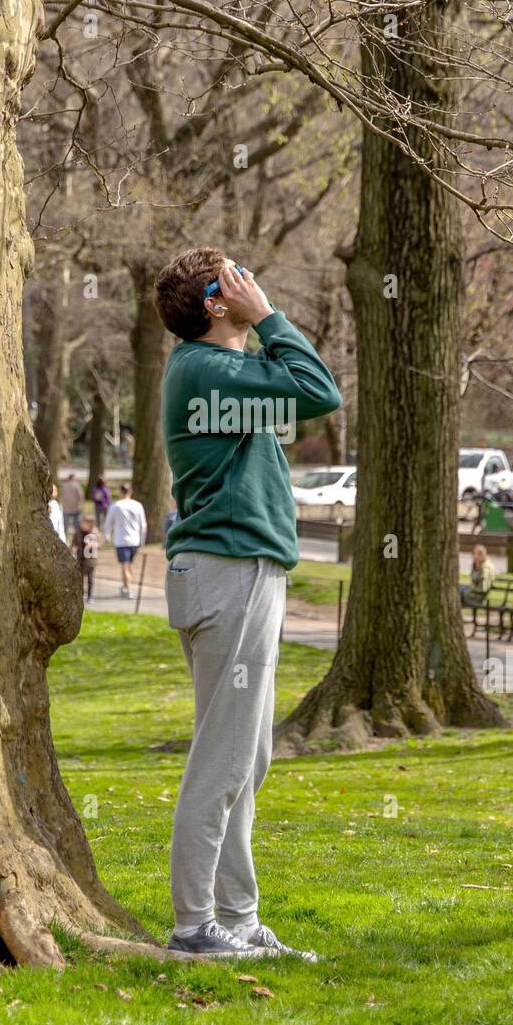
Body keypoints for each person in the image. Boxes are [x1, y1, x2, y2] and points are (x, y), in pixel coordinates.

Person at [155, 249, 341, 961]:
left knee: (246, 756)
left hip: (236, 571)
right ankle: (195, 927)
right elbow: (319, 390)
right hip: (230, 572)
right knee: (225, 760)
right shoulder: (209, 371)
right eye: (236, 276)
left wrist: (256, 322)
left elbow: (303, 394)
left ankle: (236, 918)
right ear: (216, 301)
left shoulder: (218, 374)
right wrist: (268, 318)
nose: (253, 282)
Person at [104, 484, 147, 597]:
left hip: (121, 540)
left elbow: (108, 523)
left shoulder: (116, 506)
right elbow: (143, 524)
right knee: (129, 565)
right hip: (135, 540)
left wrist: (107, 536)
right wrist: (142, 540)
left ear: (120, 492)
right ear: (130, 492)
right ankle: (125, 586)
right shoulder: (138, 505)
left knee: (125, 565)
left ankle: (128, 589)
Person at [76, 517, 101, 601]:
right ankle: (80, 594)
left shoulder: (94, 533)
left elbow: (99, 544)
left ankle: (90, 596)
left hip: (91, 560)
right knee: (80, 578)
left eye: (84, 523)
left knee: (90, 578)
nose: (82, 525)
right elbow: (74, 542)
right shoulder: (79, 532)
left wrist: (92, 544)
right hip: (80, 558)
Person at [60, 472, 84, 543]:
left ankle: (64, 540)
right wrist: (82, 507)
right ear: (73, 478)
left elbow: (62, 496)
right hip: (75, 509)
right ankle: (78, 541)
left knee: (65, 526)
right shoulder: (76, 485)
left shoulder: (64, 486)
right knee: (77, 527)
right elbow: (81, 496)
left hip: (66, 509)